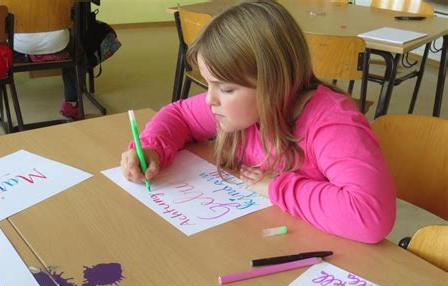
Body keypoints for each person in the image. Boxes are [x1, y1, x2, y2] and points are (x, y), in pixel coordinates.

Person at [120, 1, 396, 244]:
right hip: (258, 234)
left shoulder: (333, 125)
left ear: (273, 85)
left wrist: (276, 187)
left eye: (225, 89)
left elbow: (370, 217)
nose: (209, 100)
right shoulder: (244, 109)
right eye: (209, 85)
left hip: (319, 256)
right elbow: (178, 115)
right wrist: (152, 147)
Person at [13, 30, 80, 119]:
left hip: (23, 46)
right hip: (58, 41)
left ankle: (30, 56)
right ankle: (71, 103)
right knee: (78, 53)